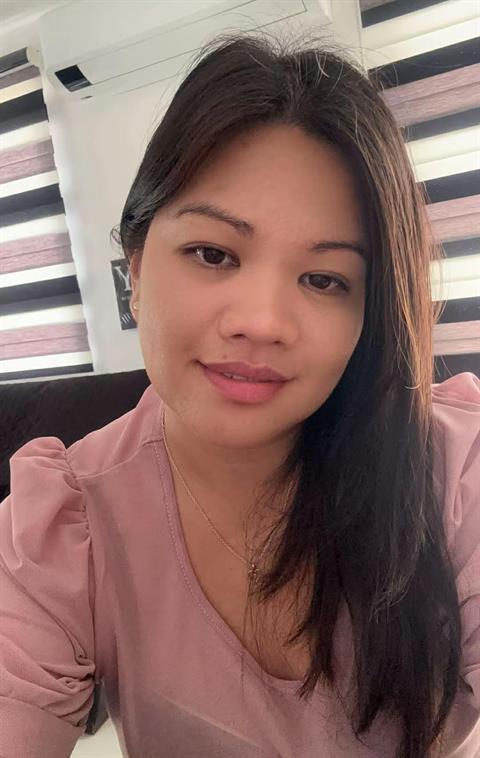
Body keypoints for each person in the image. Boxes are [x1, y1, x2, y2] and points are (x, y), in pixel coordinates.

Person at [0, 30, 478, 758]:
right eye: (214, 253)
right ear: (134, 267)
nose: (261, 322)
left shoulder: (453, 473)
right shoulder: (64, 527)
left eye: (324, 279)